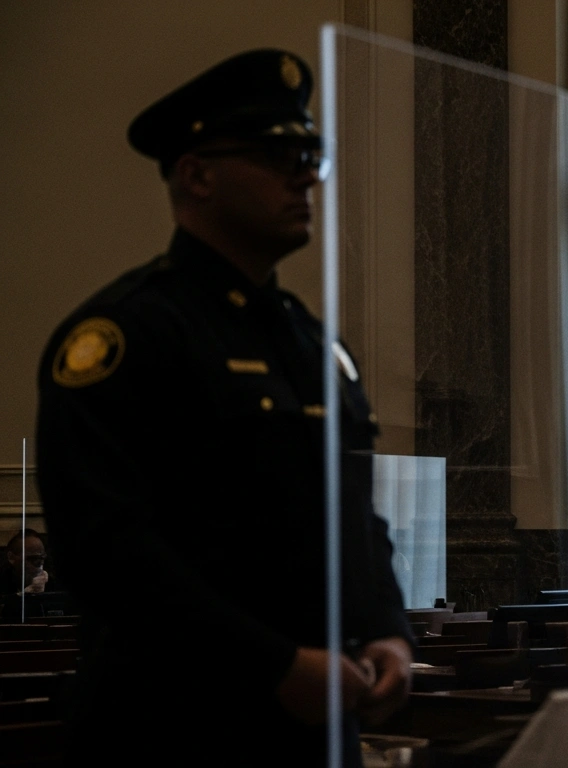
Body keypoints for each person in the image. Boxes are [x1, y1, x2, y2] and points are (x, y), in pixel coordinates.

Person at [35, 50, 412, 766]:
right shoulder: (128, 334)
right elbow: (108, 552)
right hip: (173, 722)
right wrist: (272, 664)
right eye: (278, 155)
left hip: (315, 721)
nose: (305, 174)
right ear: (196, 174)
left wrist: (388, 629)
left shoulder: (310, 343)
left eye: (311, 154)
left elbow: (355, 519)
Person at [2, 529, 49, 594]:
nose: (40, 564)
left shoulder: (51, 582)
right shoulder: (3, 582)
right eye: (33, 559)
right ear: (11, 557)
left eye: (42, 558)